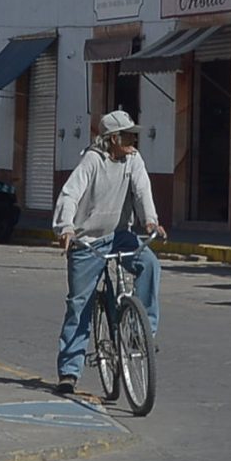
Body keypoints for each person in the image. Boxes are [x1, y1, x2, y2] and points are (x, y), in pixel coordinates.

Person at [51, 109, 165, 396]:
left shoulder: (134, 160)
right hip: (87, 241)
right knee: (79, 306)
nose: (133, 140)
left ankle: (143, 334)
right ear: (113, 139)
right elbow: (70, 194)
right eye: (128, 135)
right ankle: (69, 372)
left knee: (150, 264)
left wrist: (150, 220)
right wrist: (65, 228)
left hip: (120, 237)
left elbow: (142, 191)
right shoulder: (92, 160)